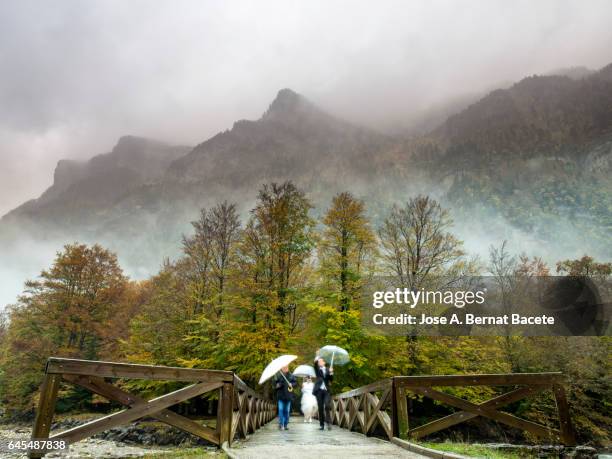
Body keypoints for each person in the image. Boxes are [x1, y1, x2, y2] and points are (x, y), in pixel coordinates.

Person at [313, 355, 334, 430]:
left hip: (326, 391)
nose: (319, 362)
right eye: (319, 362)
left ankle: (328, 423)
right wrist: (317, 356)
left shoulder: (328, 369)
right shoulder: (317, 370)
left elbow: (331, 380)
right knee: (320, 407)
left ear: (324, 362)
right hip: (319, 391)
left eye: (321, 361)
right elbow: (315, 364)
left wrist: (331, 373)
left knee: (327, 406)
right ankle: (321, 425)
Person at [274, 365, 297, 430]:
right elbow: (275, 385)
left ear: (288, 368)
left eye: (286, 367)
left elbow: (295, 383)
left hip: (288, 396)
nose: (285, 368)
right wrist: (279, 384)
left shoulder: (291, 375)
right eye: (283, 367)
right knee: (281, 410)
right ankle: (281, 424)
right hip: (280, 396)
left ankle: (285, 424)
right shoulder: (278, 375)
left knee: (286, 411)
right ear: (281, 368)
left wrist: (291, 384)